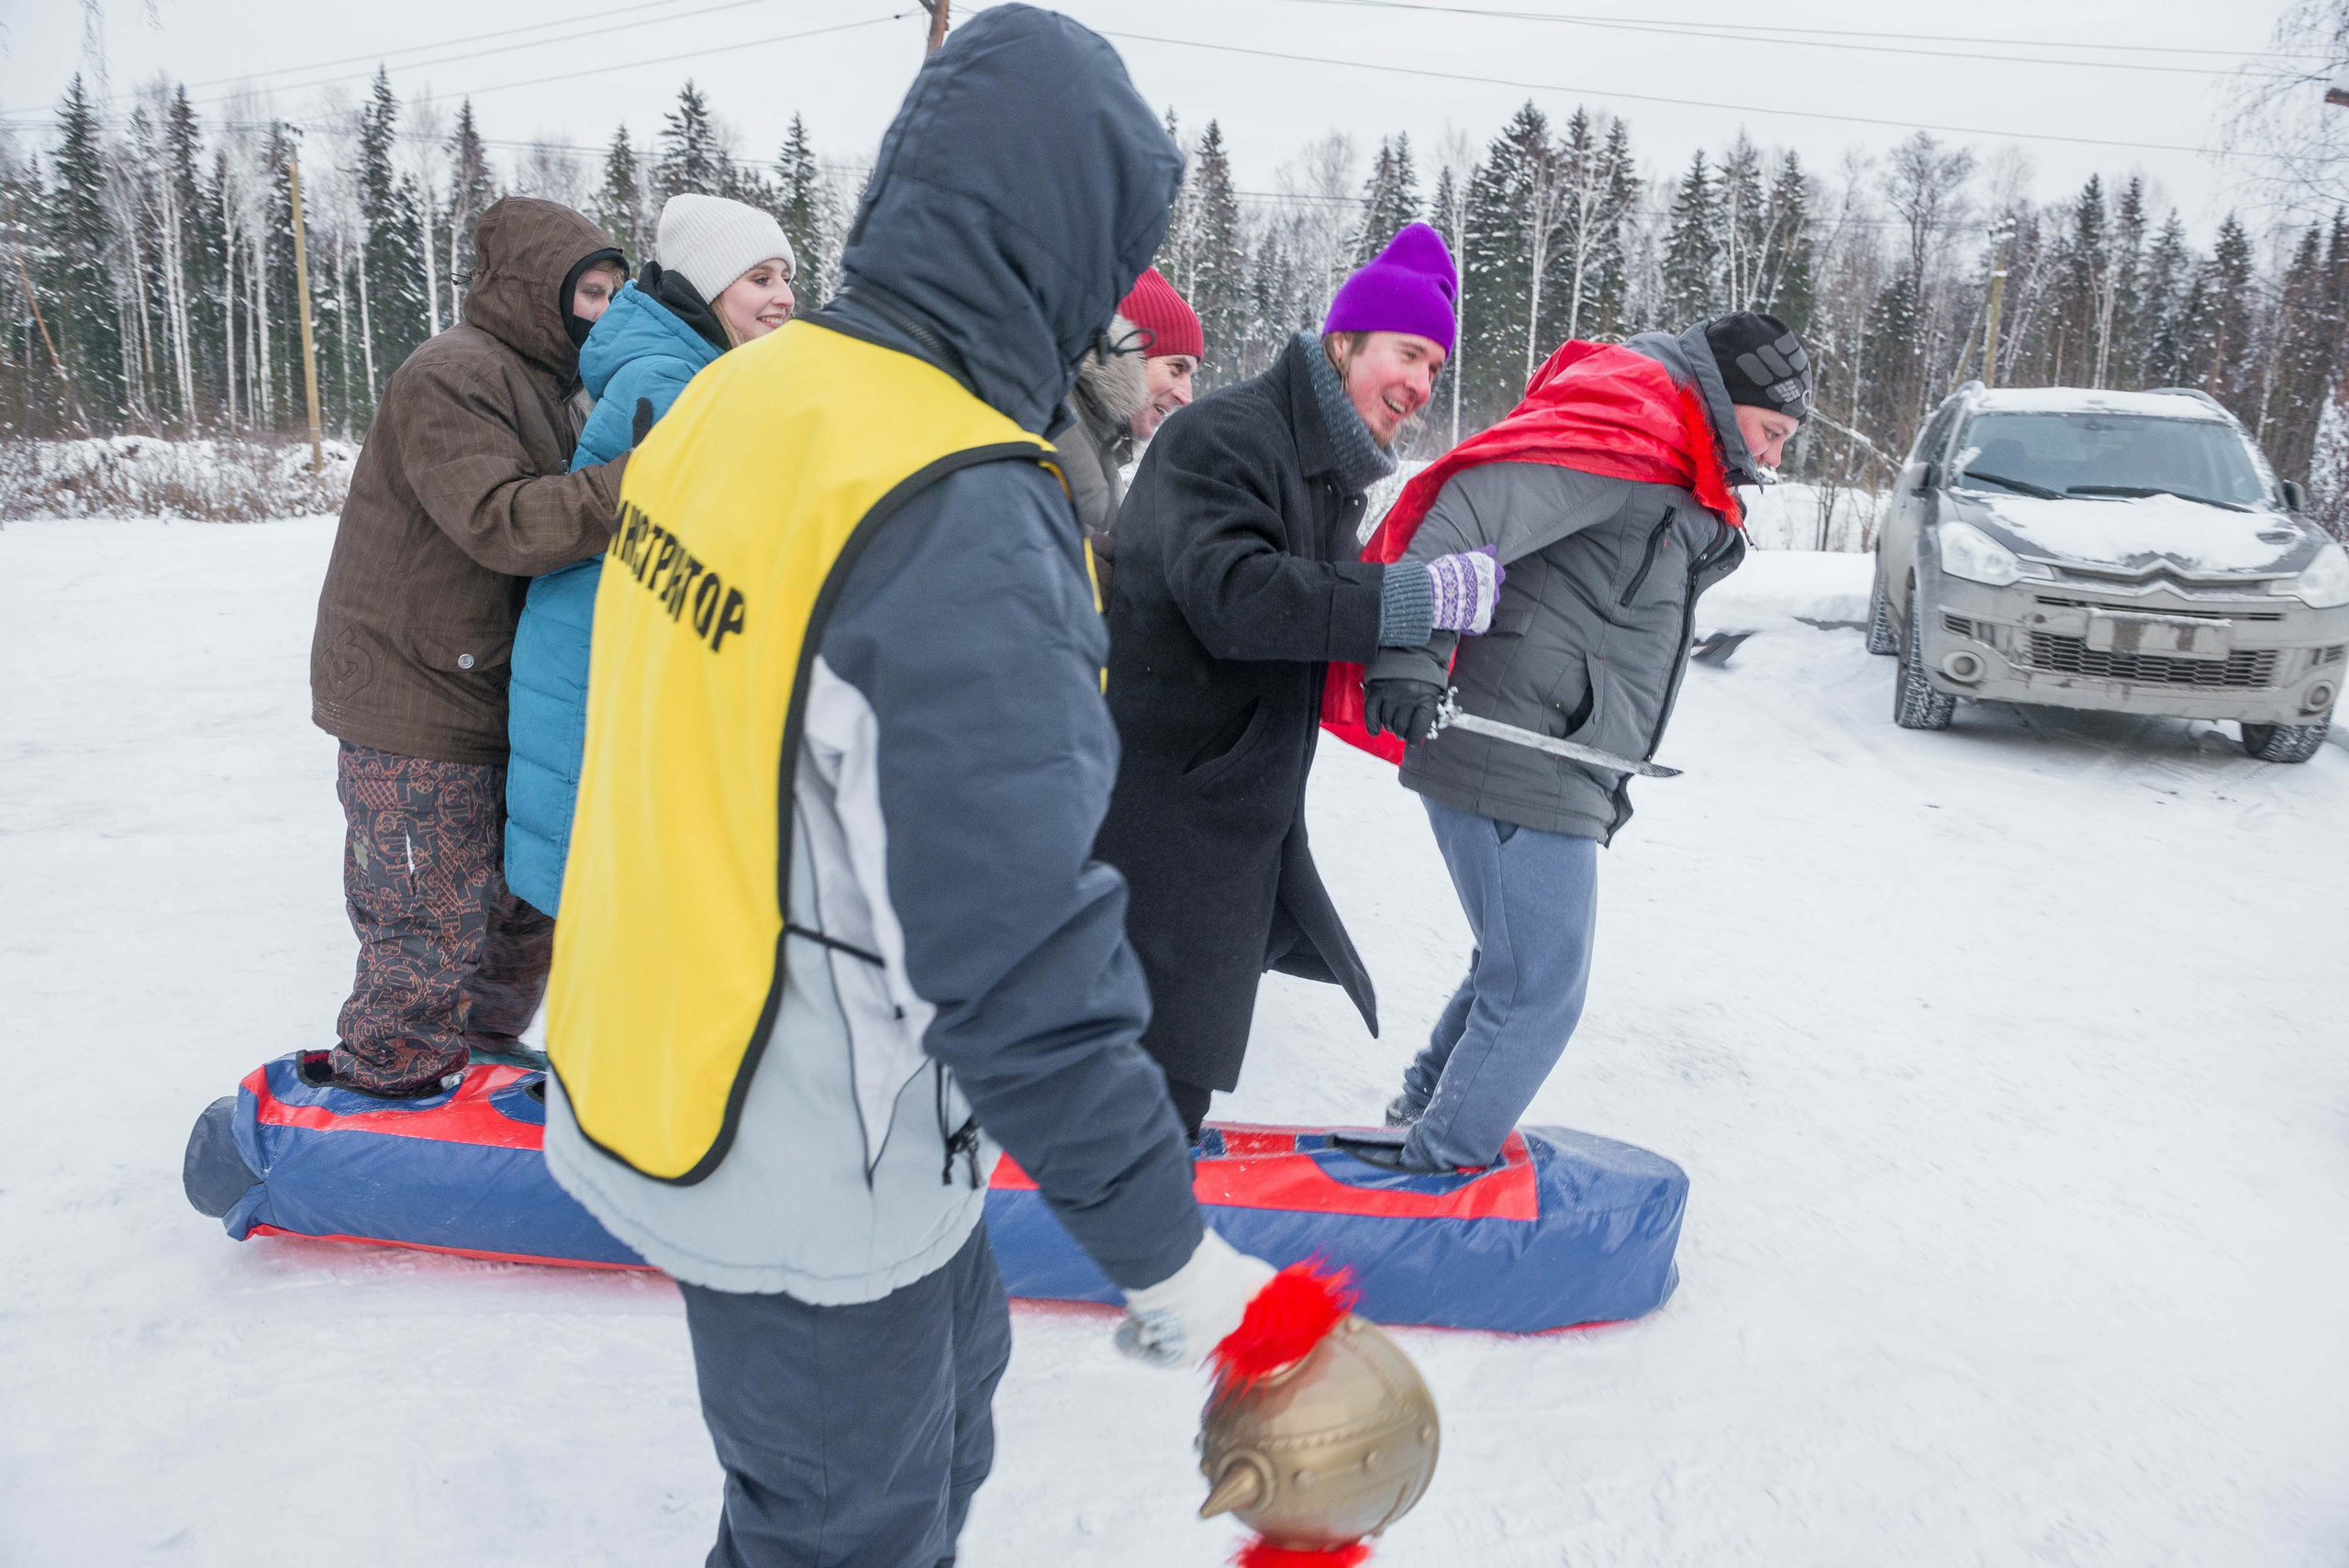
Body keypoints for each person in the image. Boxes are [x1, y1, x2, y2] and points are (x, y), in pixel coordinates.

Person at [534, 11, 1308, 1563]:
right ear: (1071, 245)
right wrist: (1174, 1258)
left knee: (946, 1412)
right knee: (841, 1525)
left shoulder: (746, 395)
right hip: (803, 1133)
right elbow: (1015, 947)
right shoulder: (953, 501)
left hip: (685, 1057)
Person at [1348, 311, 1811, 1172]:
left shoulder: (1671, 450)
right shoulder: (1635, 423)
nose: (1774, 458)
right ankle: (1441, 1167)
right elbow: (1476, 506)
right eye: (1771, 432)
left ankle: (1421, 1112)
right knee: (1540, 985)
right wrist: (1413, 651)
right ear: (1728, 398)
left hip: (1555, 750)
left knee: (1517, 964)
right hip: (1513, 745)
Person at [1094, 221, 1507, 1140]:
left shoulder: (1318, 471)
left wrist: (1403, 666)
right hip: (1166, 799)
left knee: (1162, 1049)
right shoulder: (1224, 435)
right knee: (1150, 1051)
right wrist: (1412, 596)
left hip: (1226, 800)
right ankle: (1112, 1225)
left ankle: (1128, 1192)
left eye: (1435, 367)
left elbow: (1315, 610)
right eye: (1407, 352)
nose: (1419, 383)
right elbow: (1237, 598)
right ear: (1343, 342)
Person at [307, 196, 628, 1097]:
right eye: (588, 291)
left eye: (612, 291)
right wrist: (650, 478)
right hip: (413, 691)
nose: (603, 309)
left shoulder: (568, 389)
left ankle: (477, 1058)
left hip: (502, 687)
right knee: (427, 911)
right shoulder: (450, 374)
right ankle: (389, 1075)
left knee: (523, 909)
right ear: (533, 291)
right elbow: (504, 521)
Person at [505, 193, 797, 918]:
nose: (785, 298)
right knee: (623, 908)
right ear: (708, 286)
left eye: (786, 277)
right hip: (600, 670)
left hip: (620, 663)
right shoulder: (668, 384)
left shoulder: (703, 372)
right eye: (760, 279)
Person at [1062, 265, 1201, 602]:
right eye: (1177, 368)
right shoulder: (1048, 424)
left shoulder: (1098, 445)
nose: (1188, 394)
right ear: (1126, 354)